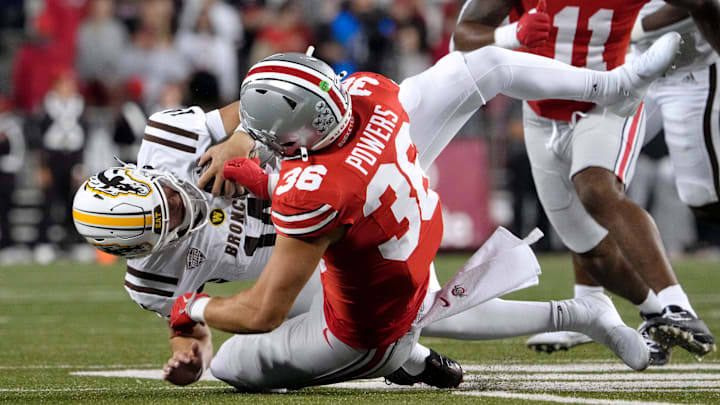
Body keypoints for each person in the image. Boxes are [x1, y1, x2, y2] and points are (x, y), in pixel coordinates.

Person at [163, 39, 683, 390]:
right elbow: (346, 187)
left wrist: (191, 307)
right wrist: (270, 179)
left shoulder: (314, 192)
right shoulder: (372, 93)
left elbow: (261, 314)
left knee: (230, 366)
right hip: (405, 241)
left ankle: (404, 358)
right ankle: (612, 85)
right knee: (480, 66)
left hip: (371, 324)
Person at [72, 101, 464, 388]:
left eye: (167, 196)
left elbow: (265, 104)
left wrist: (240, 140)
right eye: (168, 217)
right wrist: (190, 358)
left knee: (418, 303)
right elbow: (189, 325)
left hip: (325, 195)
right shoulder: (149, 281)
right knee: (332, 325)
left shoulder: (168, 141)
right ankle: (409, 360)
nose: (180, 203)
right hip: (296, 270)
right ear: (142, 250)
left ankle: (406, 352)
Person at [451, 0, 719, 365]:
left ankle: (678, 305)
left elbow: (703, 4)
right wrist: (512, 33)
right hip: (540, 114)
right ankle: (657, 314)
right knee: (590, 252)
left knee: (596, 188)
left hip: (608, 101)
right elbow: (463, 37)